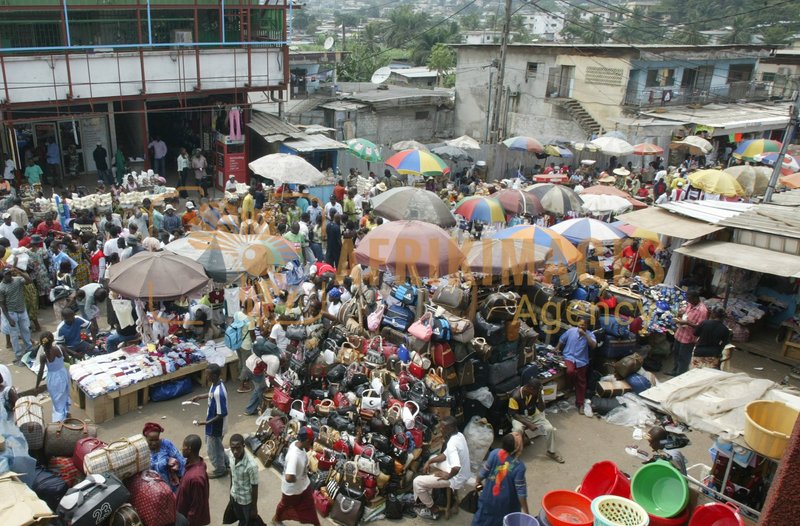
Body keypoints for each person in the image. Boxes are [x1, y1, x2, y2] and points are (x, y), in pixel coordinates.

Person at [413, 416, 472, 520]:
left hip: (456, 478)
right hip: (462, 473)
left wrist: (447, 476)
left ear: (450, 428)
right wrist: (429, 461)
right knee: (432, 458)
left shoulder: (452, 443)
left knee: (416, 482)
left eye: (443, 428)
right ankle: (429, 488)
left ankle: (433, 509)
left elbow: (456, 467)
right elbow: (445, 455)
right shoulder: (459, 435)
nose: (441, 429)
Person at [472, 433, 529, 526]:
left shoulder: (494, 453)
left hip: (488, 497)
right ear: (518, 447)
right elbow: (521, 493)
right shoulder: (519, 466)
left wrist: (477, 482)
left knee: (481, 520)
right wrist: (526, 513)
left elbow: (483, 473)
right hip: (506, 505)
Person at [508, 378, 563, 463]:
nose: (538, 392)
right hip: (519, 417)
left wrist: (540, 396)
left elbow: (541, 409)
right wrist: (529, 424)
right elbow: (514, 414)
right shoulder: (515, 396)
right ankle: (515, 452)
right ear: (529, 388)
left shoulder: (535, 392)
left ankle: (551, 452)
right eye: (537, 391)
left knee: (550, 429)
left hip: (533, 414)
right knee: (517, 430)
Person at [273, 426, 319, 526]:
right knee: (285, 505)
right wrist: (297, 478)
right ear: (306, 440)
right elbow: (289, 477)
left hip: (304, 485)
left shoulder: (296, 444)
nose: (312, 443)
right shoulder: (294, 455)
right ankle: (276, 519)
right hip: (293, 490)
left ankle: (316, 523)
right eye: (311, 441)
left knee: (310, 504)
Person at [191, 363, 228, 479]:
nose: (206, 377)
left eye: (208, 375)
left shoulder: (219, 393)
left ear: (215, 375)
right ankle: (226, 462)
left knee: (212, 449)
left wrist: (205, 423)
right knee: (217, 446)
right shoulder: (217, 384)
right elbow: (211, 394)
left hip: (215, 426)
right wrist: (200, 396)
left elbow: (221, 414)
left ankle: (220, 470)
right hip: (212, 424)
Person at [555, 319, 596, 417]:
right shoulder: (571, 331)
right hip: (569, 357)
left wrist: (585, 335)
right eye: (580, 324)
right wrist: (557, 348)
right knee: (570, 371)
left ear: (587, 326)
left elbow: (594, 345)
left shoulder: (590, 335)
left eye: (584, 325)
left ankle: (580, 403)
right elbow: (562, 339)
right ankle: (570, 387)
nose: (581, 326)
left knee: (581, 381)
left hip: (581, 360)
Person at [668, 291, 708, 376]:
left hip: (688, 338)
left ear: (695, 298)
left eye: (689, 299)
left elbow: (700, 327)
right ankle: (675, 370)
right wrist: (679, 315)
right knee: (676, 354)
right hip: (680, 334)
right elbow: (684, 313)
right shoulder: (690, 304)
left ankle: (680, 374)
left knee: (684, 357)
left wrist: (687, 323)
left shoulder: (702, 311)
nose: (688, 301)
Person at [0, 268, 35, 364]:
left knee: (26, 331)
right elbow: (2, 305)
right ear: (3, 275)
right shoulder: (1, 287)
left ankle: (29, 350)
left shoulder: (17, 280)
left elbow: (29, 280)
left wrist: (21, 273)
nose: (9, 275)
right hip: (11, 313)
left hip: (22, 310)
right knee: (14, 336)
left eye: (10, 273)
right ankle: (18, 355)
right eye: (7, 274)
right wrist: (9, 319)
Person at [34, 332, 71, 422]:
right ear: (53, 340)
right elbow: (67, 359)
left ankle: (59, 419)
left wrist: (37, 385)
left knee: (56, 399)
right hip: (63, 374)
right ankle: (65, 413)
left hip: (52, 379)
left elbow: (41, 372)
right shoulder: (60, 348)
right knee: (64, 394)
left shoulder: (43, 356)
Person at [177, 434, 211, 526]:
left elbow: (196, 506)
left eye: (183, 446)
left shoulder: (195, 478)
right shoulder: (194, 464)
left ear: (189, 448)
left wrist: (189, 523)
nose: (182, 449)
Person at [226, 434, 259, 526]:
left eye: (238, 448)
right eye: (233, 448)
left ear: (243, 446)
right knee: (241, 519)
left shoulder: (251, 465)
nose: (235, 451)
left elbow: (255, 487)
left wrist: (254, 508)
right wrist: (231, 491)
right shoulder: (231, 455)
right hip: (235, 496)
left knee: (249, 522)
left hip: (246, 501)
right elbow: (232, 473)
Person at [144, 422, 187, 492]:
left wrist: (184, 478)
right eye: (151, 440)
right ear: (146, 438)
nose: (154, 443)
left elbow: (180, 459)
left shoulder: (166, 444)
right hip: (156, 489)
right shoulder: (143, 450)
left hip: (172, 484)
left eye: (156, 439)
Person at [244, 336, 281, 416]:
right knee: (262, 390)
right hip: (252, 370)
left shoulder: (270, 350)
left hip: (249, 364)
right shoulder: (275, 361)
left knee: (259, 388)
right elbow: (271, 380)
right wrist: (281, 387)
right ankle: (263, 410)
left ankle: (250, 409)